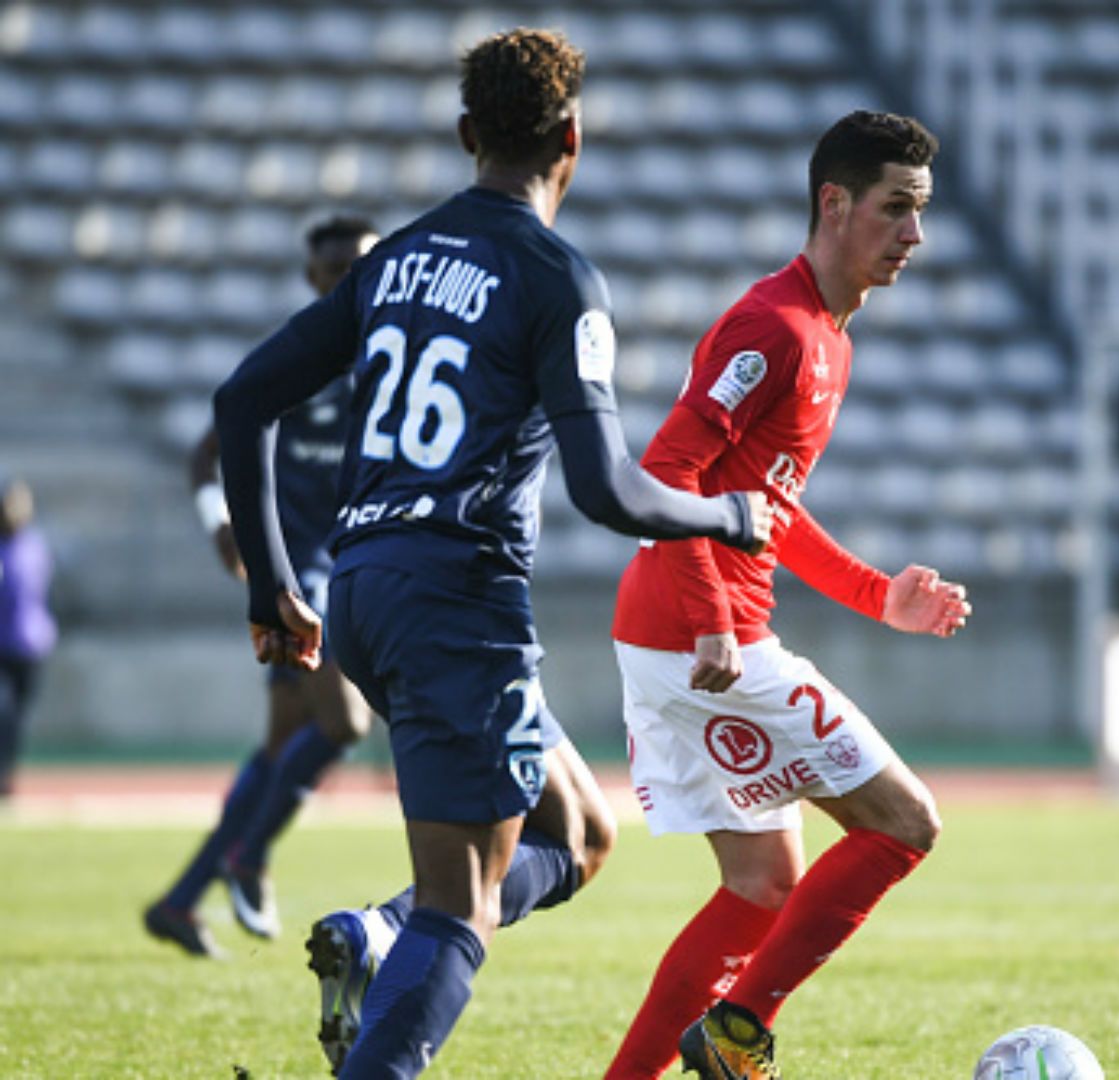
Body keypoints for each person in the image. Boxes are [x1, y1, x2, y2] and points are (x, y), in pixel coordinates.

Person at [212, 28, 772, 1078]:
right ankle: (401, 965)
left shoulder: (396, 258)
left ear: (470, 134)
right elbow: (609, 489)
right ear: (572, 138)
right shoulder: (558, 277)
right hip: (454, 601)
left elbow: (244, 399)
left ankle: (379, 939)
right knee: (462, 906)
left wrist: (273, 586)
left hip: (363, 586)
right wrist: (726, 515)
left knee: (581, 834)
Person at [602, 110, 970, 1080]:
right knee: (906, 822)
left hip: (670, 633)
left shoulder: (830, 336)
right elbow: (669, 474)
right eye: (897, 210)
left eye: (921, 214)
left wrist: (874, 595)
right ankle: (737, 1032)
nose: (914, 237)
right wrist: (717, 622)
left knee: (761, 887)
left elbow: (765, 506)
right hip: (702, 638)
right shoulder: (776, 326)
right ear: (833, 203)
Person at [145, 215, 380, 959]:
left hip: (354, 567)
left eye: (359, 266)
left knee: (283, 748)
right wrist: (219, 520)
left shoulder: (390, 356)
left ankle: (183, 901)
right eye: (333, 269)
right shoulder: (299, 354)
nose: (346, 279)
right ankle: (248, 857)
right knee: (344, 723)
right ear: (312, 279)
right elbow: (207, 451)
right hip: (296, 575)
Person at [0, 475, 57, 801]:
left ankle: (8, 773)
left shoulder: (35, 546)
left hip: (30, 646)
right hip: (2, 646)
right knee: (3, 711)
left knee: (16, 716)